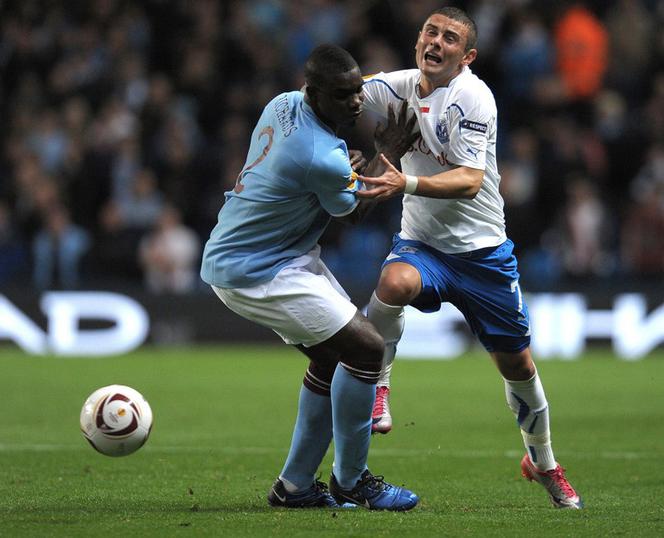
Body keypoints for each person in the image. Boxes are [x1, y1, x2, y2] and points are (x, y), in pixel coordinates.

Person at [357, 7, 583, 509]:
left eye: (450, 38)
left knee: (518, 366)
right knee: (392, 283)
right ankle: (379, 388)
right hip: (422, 245)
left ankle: (543, 461)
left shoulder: (474, 97)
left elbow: (470, 180)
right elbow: (342, 89)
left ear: (467, 55)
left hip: (482, 254)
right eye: (430, 32)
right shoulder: (396, 86)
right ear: (419, 39)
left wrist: (405, 181)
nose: (436, 42)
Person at [200, 44, 419, 510]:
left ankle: (295, 487)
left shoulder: (283, 104)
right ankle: (353, 482)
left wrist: (343, 169)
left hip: (269, 253)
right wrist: (389, 155)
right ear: (314, 93)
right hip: (256, 268)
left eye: (358, 91)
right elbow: (355, 212)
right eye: (342, 96)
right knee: (366, 346)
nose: (356, 102)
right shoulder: (319, 154)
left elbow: (313, 171)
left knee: (330, 358)